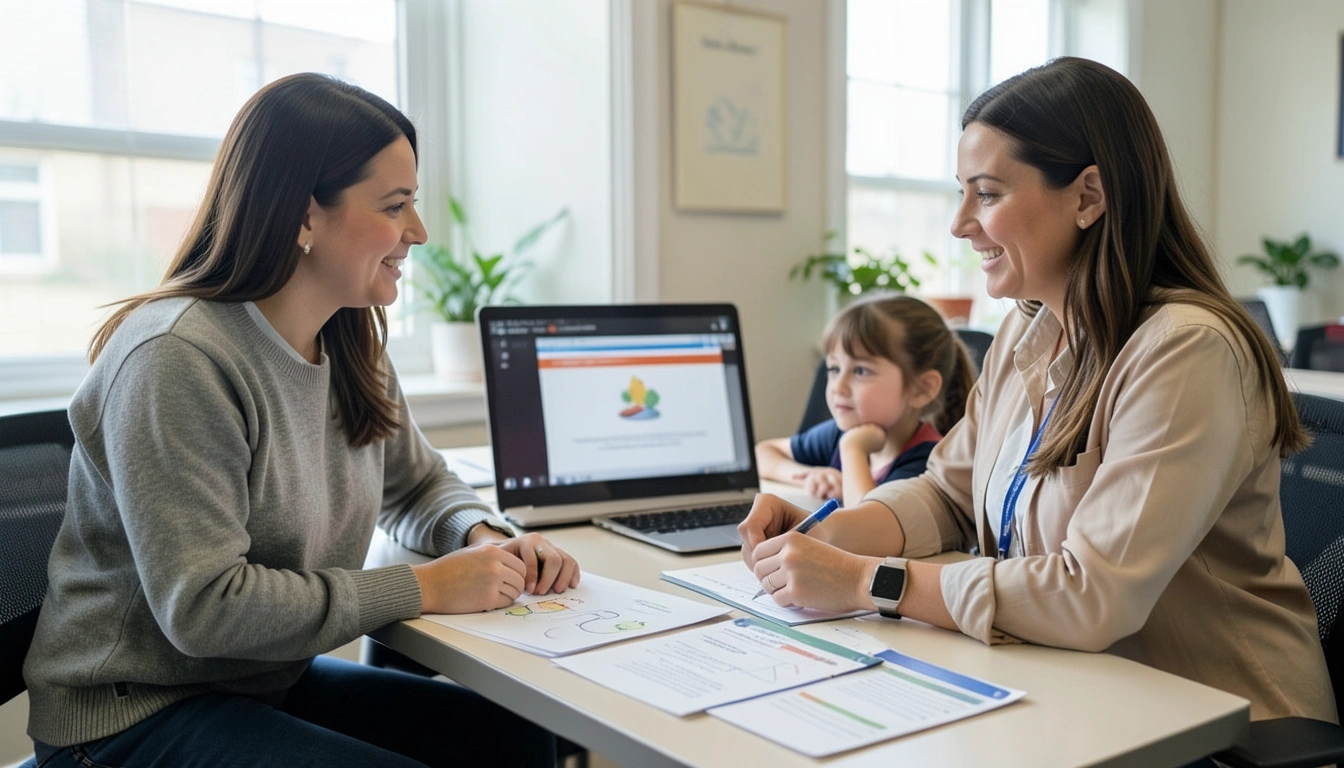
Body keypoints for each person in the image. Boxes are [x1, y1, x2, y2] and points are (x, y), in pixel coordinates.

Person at [739, 57, 1336, 724]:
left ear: (1088, 196)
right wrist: (839, 534)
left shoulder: (1185, 350)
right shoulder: (1029, 332)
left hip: (1216, 721)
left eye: (988, 194)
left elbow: (1092, 594)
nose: (960, 222)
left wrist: (863, 579)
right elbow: (947, 492)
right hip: (1068, 691)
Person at [23, 73, 579, 768]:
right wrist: (427, 586)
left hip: (258, 683)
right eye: (395, 204)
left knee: (518, 736)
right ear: (304, 216)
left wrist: (486, 537)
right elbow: (205, 607)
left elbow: (414, 486)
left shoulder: (348, 338)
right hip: (129, 715)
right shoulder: (178, 358)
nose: (419, 231)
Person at [755, 294, 974, 507]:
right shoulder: (839, 434)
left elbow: (867, 530)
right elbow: (763, 453)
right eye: (834, 368)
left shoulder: (927, 462)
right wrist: (808, 475)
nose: (837, 387)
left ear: (921, 389)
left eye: (860, 371)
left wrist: (853, 451)